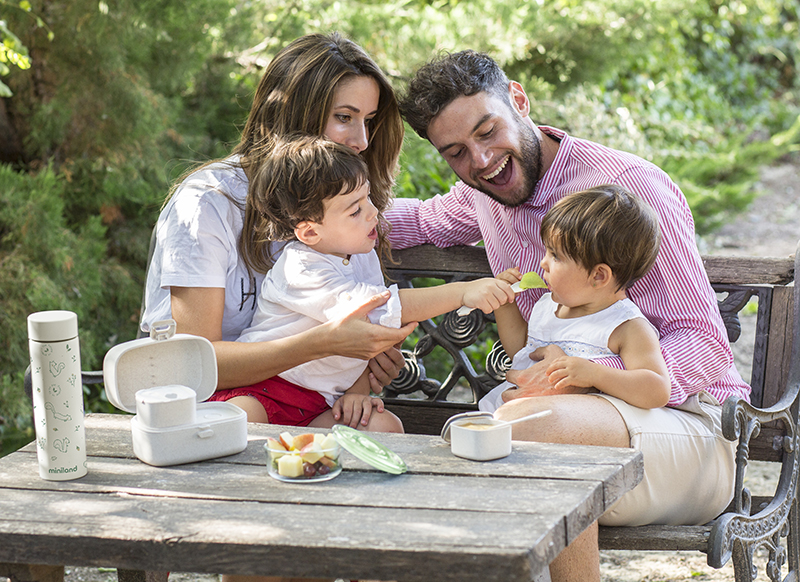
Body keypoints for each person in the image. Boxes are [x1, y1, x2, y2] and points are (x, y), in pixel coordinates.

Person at [389, 50, 746, 582]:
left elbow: (702, 342)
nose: (482, 161)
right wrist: (282, 203)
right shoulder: (484, 195)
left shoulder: (627, 194)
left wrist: (586, 380)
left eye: (489, 132)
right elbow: (412, 221)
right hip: (557, 425)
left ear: (518, 100)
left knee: (531, 427)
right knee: (483, 437)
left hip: (687, 431)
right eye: (457, 152)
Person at [141, 33, 418, 434]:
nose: (361, 141)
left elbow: (358, 318)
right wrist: (325, 343)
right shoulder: (208, 204)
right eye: (345, 117)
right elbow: (191, 364)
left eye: (369, 121)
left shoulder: (345, 214)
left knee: (379, 431)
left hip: (308, 406)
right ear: (294, 115)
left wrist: (369, 361)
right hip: (211, 411)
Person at [237, 134, 514, 431]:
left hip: (321, 402)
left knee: (385, 426)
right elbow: (379, 307)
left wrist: (357, 393)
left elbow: (363, 340)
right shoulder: (300, 268)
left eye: (367, 197)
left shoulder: (359, 253)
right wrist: (463, 292)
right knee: (241, 418)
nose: (372, 212)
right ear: (309, 233)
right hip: (264, 388)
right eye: (355, 210)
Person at [479, 185, 670, 413]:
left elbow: (656, 390)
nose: (543, 263)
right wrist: (505, 305)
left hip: (562, 424)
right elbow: (521, 351)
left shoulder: (626, 326)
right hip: (509, 410)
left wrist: (594, 374)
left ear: (598, 276)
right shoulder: (548, 305)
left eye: (556, 256)